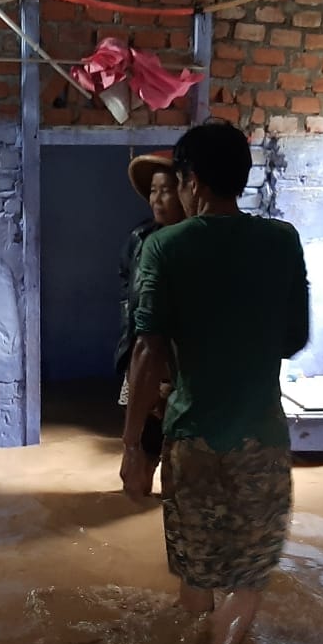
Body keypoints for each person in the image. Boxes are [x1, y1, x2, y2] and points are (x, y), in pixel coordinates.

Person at [119, 121, 310, 644]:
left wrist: (135, 446)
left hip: (192, 440)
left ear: (193, 181)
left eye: (177, 181)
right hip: (261, 440)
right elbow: (293, 339)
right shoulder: (281, 241)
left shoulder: (164, 247)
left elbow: (147, 351)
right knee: (249, 577)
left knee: (195, 572)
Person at [115, 150, 186, 487]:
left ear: (187, 191)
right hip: (142, 360)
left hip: (180, 372)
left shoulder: (194, 246)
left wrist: (167, 379)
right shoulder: (140, 238)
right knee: (138, 459)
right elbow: (127, 293)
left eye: (166, 190)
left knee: (179, 464)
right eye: (153, 191)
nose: (157, 198)